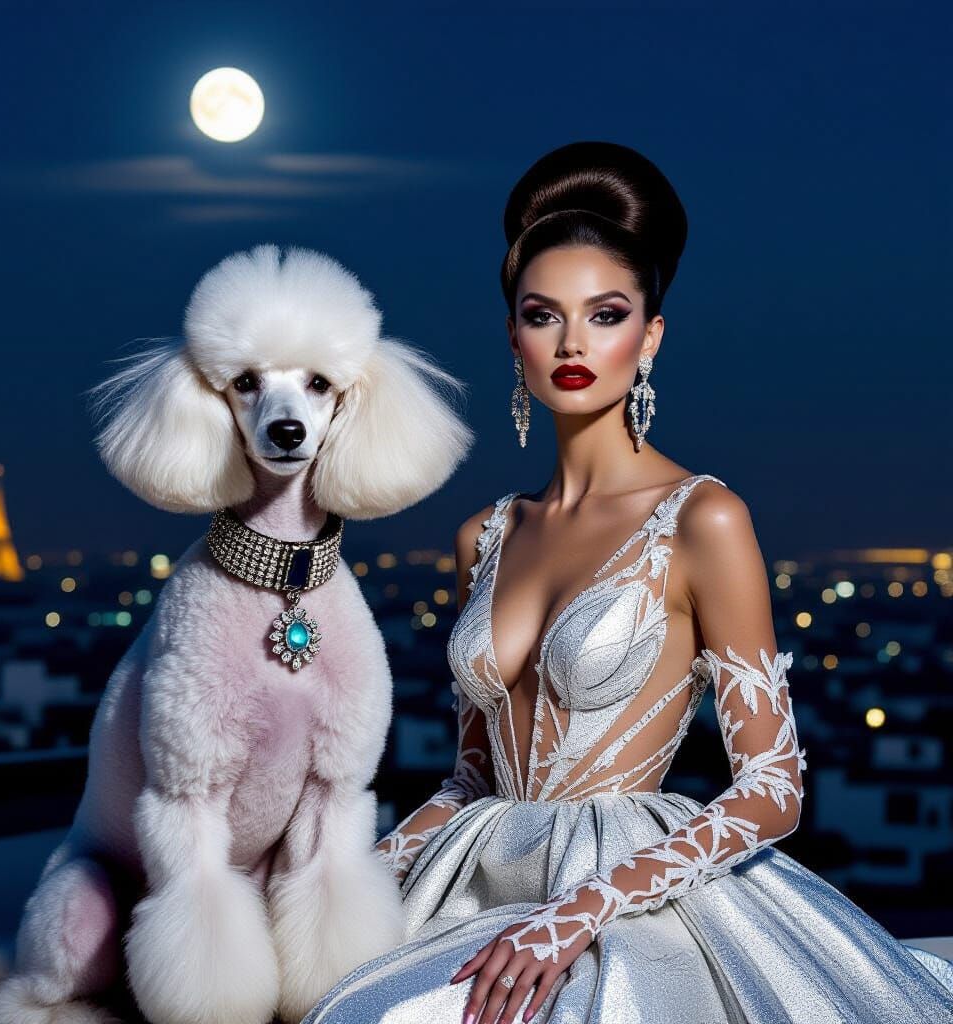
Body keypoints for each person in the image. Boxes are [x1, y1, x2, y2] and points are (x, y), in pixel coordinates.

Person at [300, 142, 953, 1024]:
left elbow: (773, 785)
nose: (572, 342)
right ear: (513, 337)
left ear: (649, 336)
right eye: (543, 315)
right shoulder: (484, 535)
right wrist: (362, 869)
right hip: (476, 869)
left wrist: (577, 913)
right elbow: (471, 775)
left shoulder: (703, 519)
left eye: (604, 315)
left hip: (619, 892)